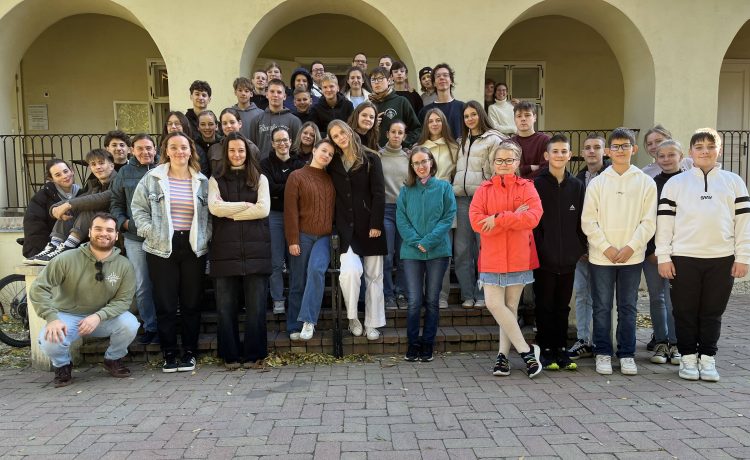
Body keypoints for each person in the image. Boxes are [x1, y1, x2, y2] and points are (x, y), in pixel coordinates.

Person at [656, 128, 749, 382]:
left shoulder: (734, 182)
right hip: (683, 258)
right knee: (684, 311)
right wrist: (664, 257)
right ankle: (687, 357)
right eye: (699, 147)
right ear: (690, 152)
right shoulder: (676, 184)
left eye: (710, 146)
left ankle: (707, 358)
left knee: (712, 311)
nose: (705, 151)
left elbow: (743, 224)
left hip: (722, 258)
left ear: (719, 150)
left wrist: (743, 257)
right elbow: (664, 224)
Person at [131, 131, 211, 373]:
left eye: (183, 147)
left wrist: (206, 236)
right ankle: (169, 353)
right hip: (161, 246)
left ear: (190, 150)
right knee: (165, 303)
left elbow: (209, 216)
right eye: (173, 147)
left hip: (193, 247)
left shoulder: (202, 181)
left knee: (191, 303)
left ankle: (189, 352)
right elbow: (138, 208)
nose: (179, 152)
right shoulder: (152, 178)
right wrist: (149, 230)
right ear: (166, 151)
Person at [29, 212, 138, 387]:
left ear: (116, 235)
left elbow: (123, 301)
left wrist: (98, 316)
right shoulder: (66, 259)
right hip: (67, 315)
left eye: (109, 230)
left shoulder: (124, 265)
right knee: (50, 340)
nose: (104, 233)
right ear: (89, 232)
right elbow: (39, 288)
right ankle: (63, 365)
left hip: (102, 317)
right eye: (98, 229)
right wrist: (51, 318)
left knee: (130, 324)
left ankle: (113, 359)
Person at [581, 128, 656, 376]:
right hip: (601, 257)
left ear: (634, 149)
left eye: (625, 146)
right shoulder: (598, 183)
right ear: (608, 151)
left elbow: (649, 222)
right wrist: (607, 247)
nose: (621, 150)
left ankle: (626, 354)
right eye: (616, 146)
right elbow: (588, 221)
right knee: (602, 307)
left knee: (628, 307)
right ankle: (603, 352)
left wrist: (631, 247)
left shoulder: (645, 182)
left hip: (632, 257)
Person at [469, 141, 543, 379]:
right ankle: (527, 351)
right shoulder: (484, 189)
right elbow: (476, 222)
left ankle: (502, 357)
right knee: (494, 304)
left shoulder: (527, 187)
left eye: (509, 160)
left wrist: (498, 218)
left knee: (510, 308)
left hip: (520, 255)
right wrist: (514, 217)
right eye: (499, 160)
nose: (503, 164)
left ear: (517, 162)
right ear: (493, 163)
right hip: (491, 256)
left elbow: (533, 217)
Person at [208, 132, 271, 369]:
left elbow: (263, 210)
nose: (237, 154)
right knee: (225, 308)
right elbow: (215, 208)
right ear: (226, 153)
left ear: (248, 152)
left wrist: (231, 212)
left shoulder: (260, 178)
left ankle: (254, 354)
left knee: (256, 309)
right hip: (224, 252)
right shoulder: (215, 179)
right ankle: (230, 355)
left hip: (257, 251)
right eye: (232, 150)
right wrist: (245, 206)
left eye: (241, 150)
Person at [327, 120, 387, 341]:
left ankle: (373, 323)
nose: (340, 138)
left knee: (374, 277)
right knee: (349, 272)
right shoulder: (332, 162)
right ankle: (353, 318)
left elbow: (379, 193)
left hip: (371, 225)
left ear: (350, 131)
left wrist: (376, 224)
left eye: (342, 132)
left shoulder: (371, 158)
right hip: (346, 228)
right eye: (335, 136)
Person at [532, 134, 586, 371]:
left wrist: (578, 248)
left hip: (569, 260)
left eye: (564, 151)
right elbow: (534, 225)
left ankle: (561, 349)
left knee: (563, 306)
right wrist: (541, 249)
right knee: (545, 305)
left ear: (570, 155)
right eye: (555, 151)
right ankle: (545, 350)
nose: (560, 155)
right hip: (544, 259)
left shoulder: (577, 186)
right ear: (547, 155)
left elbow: (581, 221)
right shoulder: (536, 185)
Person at [397, 147, 456, 362]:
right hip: (411, 252)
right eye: (416, 163)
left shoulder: (444, 187)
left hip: (438, 251)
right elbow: (401, 219)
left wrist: (428, 241)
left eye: (424, 161)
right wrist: (417, 242)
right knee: (414, 300)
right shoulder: (406, 190)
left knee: (432, 300)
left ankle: (427, 345)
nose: (421, 166)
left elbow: (448, 216)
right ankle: (413, 344)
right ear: (412, 166)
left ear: (431, 162)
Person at [453, 100, 505, 308]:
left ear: (481, 115)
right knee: (461, 250)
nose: (470, 119)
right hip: (462, 200)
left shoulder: (494, 139)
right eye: (466, 116)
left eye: (473, 114)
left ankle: (483, 295)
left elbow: (497, 172)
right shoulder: (461, 141)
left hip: (484, 201)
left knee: (484, 250)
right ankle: (467, 294)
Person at [25, 149, 118, 265]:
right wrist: (55, 208)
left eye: (101, 163)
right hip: (97, 227)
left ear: (112, 165)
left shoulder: (119, 180)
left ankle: (67, 246)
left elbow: (103, 198)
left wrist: (67, 205)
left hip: (114, 225)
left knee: (87, 208)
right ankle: (54, 246)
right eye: (93, 164)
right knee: (68, 212)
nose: (98, 167)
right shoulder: (95, 184)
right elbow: (34, 225)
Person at [284, 139, 337, 341]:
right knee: (298, 280)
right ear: (314, 150)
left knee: (316, 270)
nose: (326, 155)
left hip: (324, 237)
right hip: (302, 235)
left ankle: (308, 321)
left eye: (330, 154)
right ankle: (293, 325)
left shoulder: (331, 179)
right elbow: (290, 211)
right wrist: (293, 239)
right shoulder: (296, 176)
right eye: (324, 151)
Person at [109, 133, 159, 345]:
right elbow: (115, 203)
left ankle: (168, 324)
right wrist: (125, 223)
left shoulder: (163, 169)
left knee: (165, 284)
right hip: (135, 237)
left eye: (148, 148)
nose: (145, 152)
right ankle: (151, 326)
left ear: (155, 149)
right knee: (142, 284)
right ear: (132, 150)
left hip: (163, 238)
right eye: (140, 148)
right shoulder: (124, 173)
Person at [567, 134, 609, 361]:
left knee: (604, 298)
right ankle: (583, 339)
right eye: (587, 148)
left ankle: (603, 342)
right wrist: (579, 246)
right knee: (582, 294)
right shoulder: (576, 180)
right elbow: (573, 217)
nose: (592, 151)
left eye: (596, 147)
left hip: (608, 249)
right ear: (582, 153)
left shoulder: (613, 178)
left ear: (605, 151)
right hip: (583, 250)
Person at [645, 139, 683, 365]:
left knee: (675, 300)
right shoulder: (651, 185)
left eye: (671, 155)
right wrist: (651, 251)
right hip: (653, 254)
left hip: (680, 253)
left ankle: (677, 343)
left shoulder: (689, 183)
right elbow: (646, 219)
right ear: (656, 159)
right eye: (662, 156)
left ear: (681, 157)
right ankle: (661, 342)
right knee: (657, 297)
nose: (666, 159)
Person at [416, 108, 459, 308]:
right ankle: (421, 295)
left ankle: (441, 295)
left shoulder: (454, 147)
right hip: (423, 201)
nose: (434, 124)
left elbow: (458, 174)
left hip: (445, 199)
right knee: (422, 248)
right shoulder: (419, 147)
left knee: (442, 250)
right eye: (430, 121)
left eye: (438, 120)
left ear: (444, 123)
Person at [260, 127, 305, 315]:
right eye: (278, 140)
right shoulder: (265, 164)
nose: (282, 143)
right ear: (272, 143)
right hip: (275, 216)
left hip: (296, 216)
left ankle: (296, 298)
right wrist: (290, 187)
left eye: (285, 139)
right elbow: (268, 189)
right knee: (276, 261)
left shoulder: (299, 163)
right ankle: (278, 298)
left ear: (290, 141)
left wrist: (281, 189)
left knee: (296, 260)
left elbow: (302, 189)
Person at [22, 159, 82, 258]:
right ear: (51, 179)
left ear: (72, 171)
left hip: (75, 250)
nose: (64, 176)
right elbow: (34, 228)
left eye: (66, 171)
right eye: (58, 175)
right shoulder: (42, 196)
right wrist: (43, 254)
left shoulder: (83, 194)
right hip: (47, 249)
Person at [379, 121, 410, 311]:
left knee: (403, 255)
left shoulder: (409, 157)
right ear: (387, 134)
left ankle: (401, 293)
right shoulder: (379, 156)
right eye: (393, 132)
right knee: (387, 255)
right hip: (385, 210)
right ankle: (388, 294)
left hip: (404, 211)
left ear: (404, 136)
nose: (396, 135)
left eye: (400, 132)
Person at [247, 79, 301, 160]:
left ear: (284, 96)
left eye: (279, 92)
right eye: (272, 91)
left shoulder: (294, 121)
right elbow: (252, 148)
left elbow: (297, 149)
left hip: (286, 166)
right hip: (261, 165)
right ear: (267, 94)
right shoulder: (256, 120)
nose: (275, 95)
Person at [368, 66, 421, 148]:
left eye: (380, 78)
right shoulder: (368, 105)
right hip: (375, 151)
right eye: (373, 79)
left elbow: (417, 129)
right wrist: (372, 125)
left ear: (389, 80)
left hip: (398, 152)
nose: (376, 82)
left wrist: (404, 142)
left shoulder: (401, 101)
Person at [209, 108, 261, 176]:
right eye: (224, 123)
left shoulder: (252, 148)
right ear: (221, 126)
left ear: (240, 123)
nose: (228, 126)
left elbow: (256, 174)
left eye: (232, 122)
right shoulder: (213, 149)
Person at [419, 63, 465, 140]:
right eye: (438, 76)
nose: (442, 78)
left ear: (451, 81)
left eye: (445, 75)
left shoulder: (462, 107)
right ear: (434, 83)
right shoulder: (425, 111)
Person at [511, 101, 549, 179]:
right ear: (514, 119)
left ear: (535, 117)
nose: (523, 119)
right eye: (519, 116)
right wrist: (530, 168)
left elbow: (546, 169)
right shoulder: (508, 143)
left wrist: (522, 172)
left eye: (527, 115)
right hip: (514, 185)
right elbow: (507, 170)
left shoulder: (545, 141)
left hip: (538, 185)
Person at [194, 110, 220, 176]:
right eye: (203, 124)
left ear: (216, 126)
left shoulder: (223, 143)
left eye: (210, 124)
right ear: (198, 127)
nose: (207, 127)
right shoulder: (193, 146)